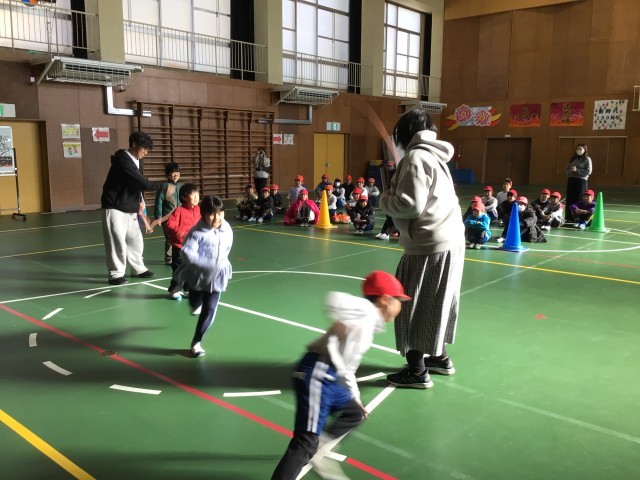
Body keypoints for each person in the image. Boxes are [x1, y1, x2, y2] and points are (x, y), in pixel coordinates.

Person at [271, 270, 410, 480]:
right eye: (400, 300)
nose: (401, 306)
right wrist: (349, 315)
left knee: (355, 412)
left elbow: (348, 367)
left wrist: (355, 396)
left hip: (329, 377)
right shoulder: (365, 314)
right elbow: (334, 299)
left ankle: (320, 447)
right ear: (386, 299)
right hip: (317, 374)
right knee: (305, 443)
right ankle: (314, 449)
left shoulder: (368, 323)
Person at [379, 109, 465, 389]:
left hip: (429, 244)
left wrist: (384, 199)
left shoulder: (415, 157)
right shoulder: (435, 156)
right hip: (450, 241)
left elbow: (410, 205)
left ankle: (417, 371)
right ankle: (439, 358)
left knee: (412, 304)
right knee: (435, 301)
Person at [172, 196, 233, 358]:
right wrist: (205, 265)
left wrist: (222, 264)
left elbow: (227, 247)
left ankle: (196, 342)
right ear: (203, 214)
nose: (217, 218)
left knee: (210, 309)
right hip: (198, 277)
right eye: (211, 214)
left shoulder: (227, 228)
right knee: (195, 301)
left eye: (220, 213)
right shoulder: (196, 232)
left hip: (217, 278)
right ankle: (194, 303)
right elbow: (187, 253)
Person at [101, 131, 162, 285]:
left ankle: (138, 269)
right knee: (116, 241)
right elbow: (141, 181)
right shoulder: (123, 160)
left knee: (135, 239)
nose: (146, 152)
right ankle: (115, 274)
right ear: (134, 144)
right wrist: (164, 187)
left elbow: (136, 184)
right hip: (115, 206)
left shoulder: (138, 161)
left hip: (131, 206)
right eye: (144, 148)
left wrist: (140, 201)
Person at [166, 183, 201, 298]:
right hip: (180, 247)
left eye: (197, 195)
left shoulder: (199, 210)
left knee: (193, 269)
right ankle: (174, 290)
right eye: (193, 195)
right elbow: (170, 224)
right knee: (179, 270)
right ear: (184, 197)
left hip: (194, 247)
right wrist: (180, 232)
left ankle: (188, 289)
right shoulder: (179, 211)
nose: (196, 197)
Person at [154, 162, 183, 265]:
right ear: (168, 175)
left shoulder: (182, 186)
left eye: (177, 173)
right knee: (170, 237)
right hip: (168, 217)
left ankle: (179, 255)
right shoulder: (164, 186)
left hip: (181, 216)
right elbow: (159, 202)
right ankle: (168, 256)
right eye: (173, 173)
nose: (175, 175)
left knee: (181, 236)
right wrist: (158, 217)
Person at [565, 143, 592, 221]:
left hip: (581, 181)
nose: (578, 150)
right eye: (577, 149)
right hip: (571, 180)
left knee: (579, 198)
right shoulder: (572, 158)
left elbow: (589, 171)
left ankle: (579, 217)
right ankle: (569, 217)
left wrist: (577, 170)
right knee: (570, 198)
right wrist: (571, 170)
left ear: (584, 150)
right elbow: (566, 169)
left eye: (580, 149)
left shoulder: (587, 159)